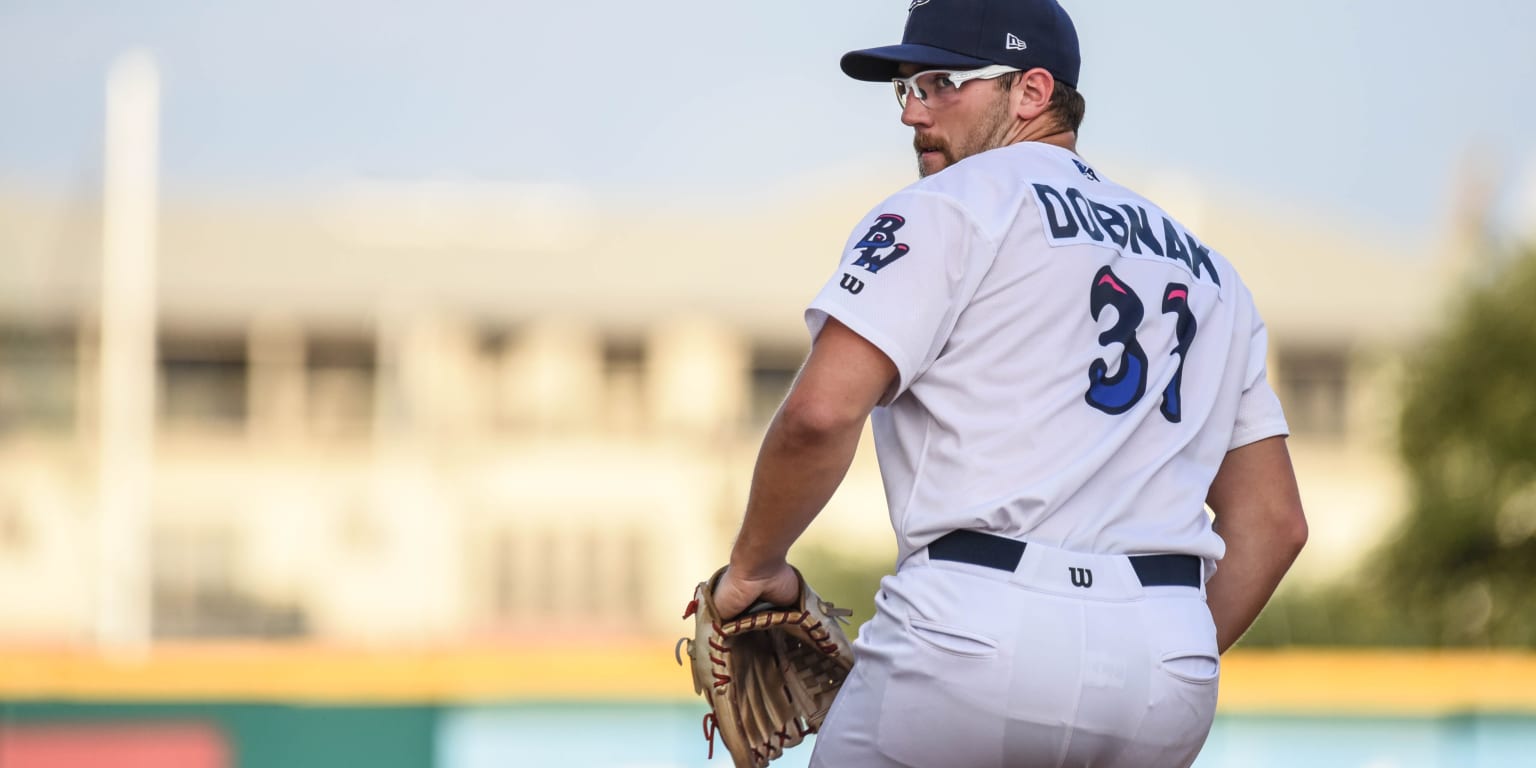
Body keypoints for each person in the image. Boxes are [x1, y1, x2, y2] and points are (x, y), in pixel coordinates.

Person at [711, 0, 1307, 765]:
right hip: (1165, 654)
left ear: (1030, 91)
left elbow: (819, 416)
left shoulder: (954, 206)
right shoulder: (1210, 270)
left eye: (941, 82)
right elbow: (1276, 521)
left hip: (975, 622)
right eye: (907, 87)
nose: (912, 112)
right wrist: (1155, 657)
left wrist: (754, 566)